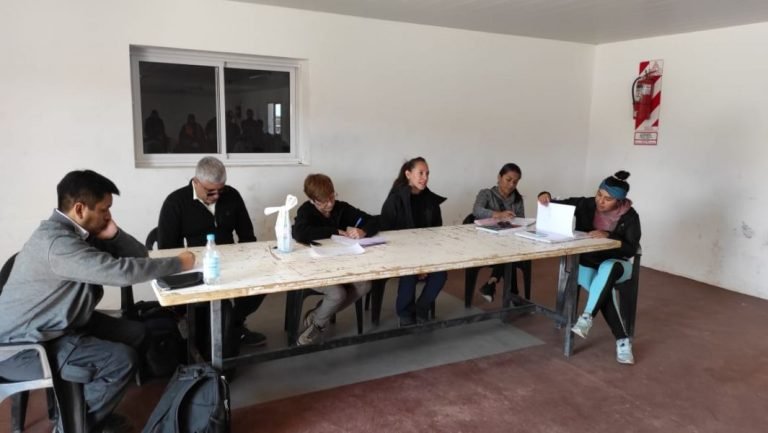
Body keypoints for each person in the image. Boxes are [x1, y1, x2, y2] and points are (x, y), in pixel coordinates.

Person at [0, 170, 195, 433]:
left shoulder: (79, 234)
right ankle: (73, 425)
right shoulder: (58, 244)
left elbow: (140, 256)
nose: (108, 216)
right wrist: (179, 264)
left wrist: (114, 235)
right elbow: (121, 273)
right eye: (104, 210)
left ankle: (90, 410)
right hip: (23, 347)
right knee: (121, 361)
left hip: (59, 325)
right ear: (80, 209)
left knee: (136, 333)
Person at [157, 156, 267, 346]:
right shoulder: (176, 202)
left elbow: (247, 236)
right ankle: (215, 330)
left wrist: (250, 260)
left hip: (232, 261)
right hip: (197, 266)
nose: (216, 196)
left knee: (264, 280)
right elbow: (167, 249)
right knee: (208, 312)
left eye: (220, 190)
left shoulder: (232, 196)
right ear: (196, 181)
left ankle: (234, 324)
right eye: (210, 191)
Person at [537, 170, 641, 364]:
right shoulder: (586, 204)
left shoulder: (630, 217)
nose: (600, 201)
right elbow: (560, 203)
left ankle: (587, 316)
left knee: (608, 268)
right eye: (599, 194)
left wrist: (609, 235)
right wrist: (546, 196)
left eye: (607, 199)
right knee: (603, 292)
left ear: (619, 201)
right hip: (588, 265)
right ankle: (621, 340)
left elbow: (631, 248)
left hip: (618, 266)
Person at [292, 174, 379, 345]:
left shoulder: (341, 208)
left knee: (365, 285)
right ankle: (318, 326)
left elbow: (373, 220)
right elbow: (300, 233)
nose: (330, 204)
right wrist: (334, 231)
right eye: (323, 201)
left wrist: (363, 231)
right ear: (312, 200)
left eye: (332, 197)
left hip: (341, 266)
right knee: (337, 293)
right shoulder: (306, 211)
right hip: (313, 268)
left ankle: (318, 314)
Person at [381, 157, 447, 327]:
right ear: (408, 174)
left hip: (426, 252)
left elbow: (437, 231)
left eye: (427, 174)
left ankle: (421, 308)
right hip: (400, 252)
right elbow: (386, 233)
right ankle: (404, 312)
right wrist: (416, 264)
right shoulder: (396, 199)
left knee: (441, 273)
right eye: (421, 173)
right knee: (409, 272)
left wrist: (425, 262)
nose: (425, 178)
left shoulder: (430, 200)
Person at [472, 162, 526, 302]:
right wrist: (498, 214)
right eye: (508, 180)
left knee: (510, 251)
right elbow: (477, 211)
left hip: (509, 240)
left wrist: (515, 220)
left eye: (515, 182)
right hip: (486, 240)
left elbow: (521, 220)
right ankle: (513, 294)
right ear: (499, 177)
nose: (511, 185)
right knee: (510, 254)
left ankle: (492, 282)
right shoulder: (486, 194)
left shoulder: (517, 199)